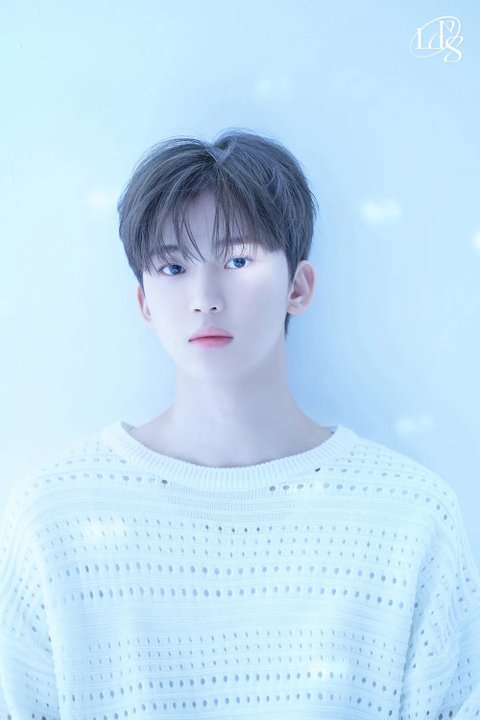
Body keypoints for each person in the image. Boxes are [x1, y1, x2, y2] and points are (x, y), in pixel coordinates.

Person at [0, 129, 479, 720]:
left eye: (237, 260)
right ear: (144, 303)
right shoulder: (53, 515)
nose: (205, 297)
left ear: (298, 287)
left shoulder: (410, 515)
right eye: (172, 266)